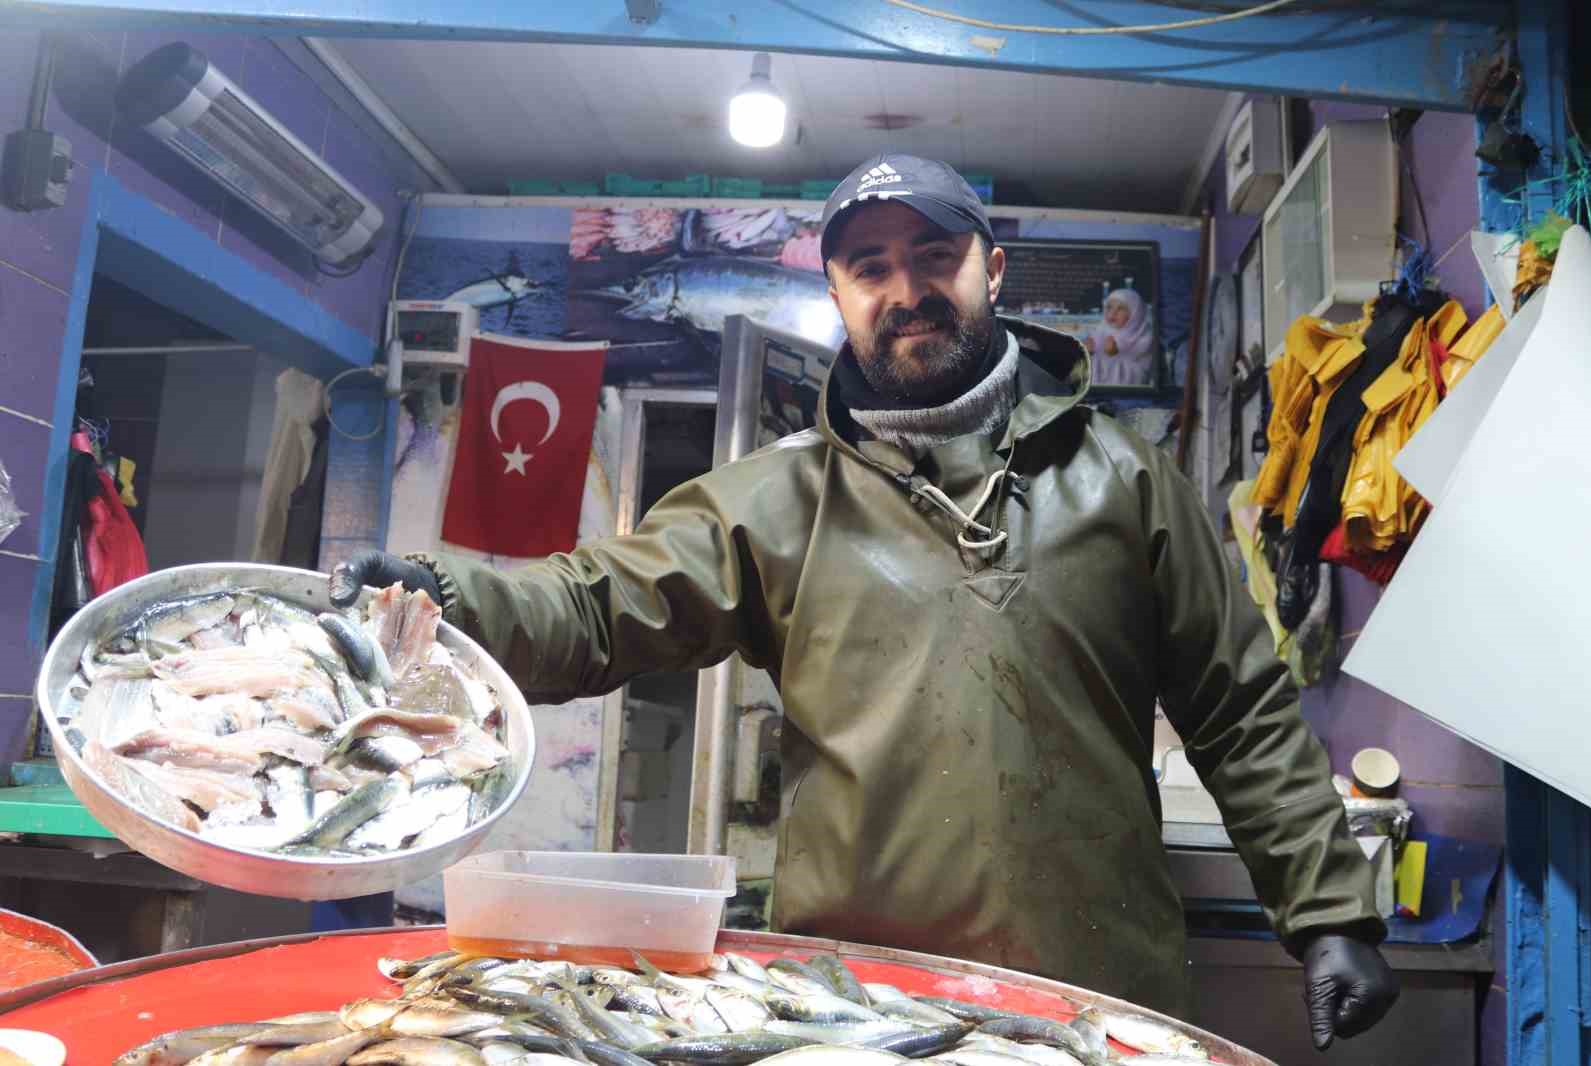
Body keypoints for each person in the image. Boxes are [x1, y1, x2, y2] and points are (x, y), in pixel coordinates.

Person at [328, 154, 1396, 1048]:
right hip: (854, 1009)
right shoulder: (773, 500)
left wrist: (1331, 913)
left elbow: (1241, 710)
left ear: (993, 267)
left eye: (935, 255)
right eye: (870, 267)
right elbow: (602, 604)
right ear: (836, 294)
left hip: (1097, 995)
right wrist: (446, 597)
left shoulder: (1123, 479)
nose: (906, 289)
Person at [1085, 287, 1156, 387]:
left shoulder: (1145, 339)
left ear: (1135, 313)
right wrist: (1087, 354)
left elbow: (1140, 378)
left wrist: (1114, 357)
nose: (1112, 313)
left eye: (1121, 308)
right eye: (1109, 307)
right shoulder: (1098, 333)